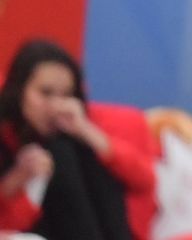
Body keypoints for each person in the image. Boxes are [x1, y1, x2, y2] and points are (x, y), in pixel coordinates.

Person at [0, 39, 153, 240]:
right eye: (45, 93)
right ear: (19, 90)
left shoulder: (74, 128)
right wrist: (19, 177)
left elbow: (145, 179)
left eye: (66, 95)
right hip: (30, 228)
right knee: (59, 153)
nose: (57, 106)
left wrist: (87, 132)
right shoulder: (5, 132)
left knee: (75, 151)